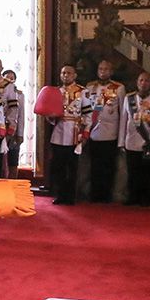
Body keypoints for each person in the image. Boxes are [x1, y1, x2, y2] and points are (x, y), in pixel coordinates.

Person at [47, 64, 92, 205]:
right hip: (59, 133)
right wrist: (51, 116)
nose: (65, 75)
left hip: (75, 133)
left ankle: (71, 196)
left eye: (68, 73)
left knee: (73, 167)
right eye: (63, 73)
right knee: (58, 166)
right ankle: (60, 194)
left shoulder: (83, 92)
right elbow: (49, 114)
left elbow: (88, 114)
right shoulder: (56, 92)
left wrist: (85, 134)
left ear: (74, 75)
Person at [119, 71, 150, 206]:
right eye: (141, 80)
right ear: (137, 82)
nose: (144, 83)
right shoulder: (129, 98)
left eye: (147, 81)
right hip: (131, 141)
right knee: (132, 171)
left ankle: (146, 198)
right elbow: (123, 121)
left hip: (148, 142)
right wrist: (121, 142)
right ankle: (133, 197)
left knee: (147, 173)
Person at [85, 60, 125, 202]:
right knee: (94, 166)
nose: (103, 71)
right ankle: (95, 194)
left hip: (110, 133)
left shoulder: (118, 88)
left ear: (111, 71)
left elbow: (122, 113)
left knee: (108, 166)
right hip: (94, 132)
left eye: (106, 69)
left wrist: (121, 138)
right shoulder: (90, 87)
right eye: (101, 69)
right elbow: (86, 111)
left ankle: (106, 195)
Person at [0, 69, 25, 179]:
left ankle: (13, 182)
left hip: (12, 130)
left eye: (11, 78)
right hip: (0, 129)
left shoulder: (19, 95)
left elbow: (21, 115)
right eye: (6, 77)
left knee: (13, 159)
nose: (9, 79)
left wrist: (19, 133)